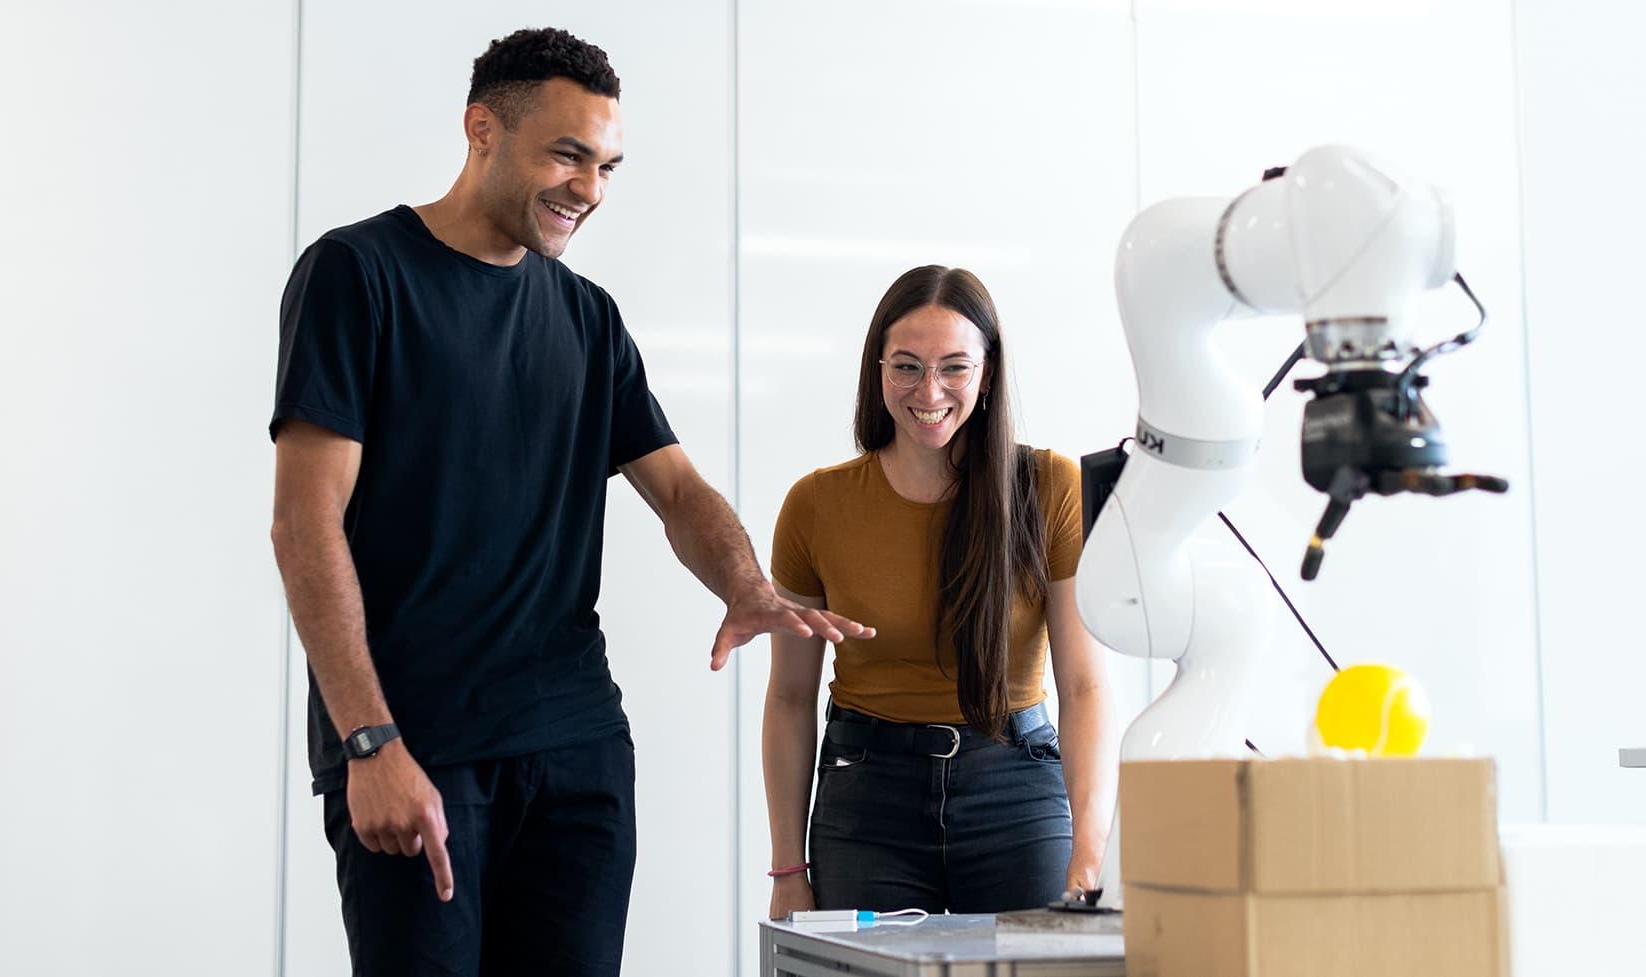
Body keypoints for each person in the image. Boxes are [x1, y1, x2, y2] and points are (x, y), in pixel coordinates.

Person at [268, 27, 869, 977]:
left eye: (606, 164)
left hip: (576, 753)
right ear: (481, 130)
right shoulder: (359, 275)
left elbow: (676, 489)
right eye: (567, 153)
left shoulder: (586, 317)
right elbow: (305, 523)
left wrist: (745, 583)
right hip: (416, 750)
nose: (588, 187)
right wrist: (366, 741)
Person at [762, 265, 1117, 917]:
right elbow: (789, 695)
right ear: (878, 370)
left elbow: (1085, 685)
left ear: (987, 373)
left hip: (1016, 783)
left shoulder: (1050, 485)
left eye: (954, 366)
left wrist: (1090, 845)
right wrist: (789, 867)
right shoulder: (816, 505)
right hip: (867, 793)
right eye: (907, 366)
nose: (930, 389)